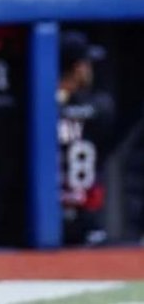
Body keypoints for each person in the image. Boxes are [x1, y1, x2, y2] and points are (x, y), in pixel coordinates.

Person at [56, 31, 113, 246]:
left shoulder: (42, 103)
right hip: (87, 211)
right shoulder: (99, 105)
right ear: (78, 67)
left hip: (52, 212)